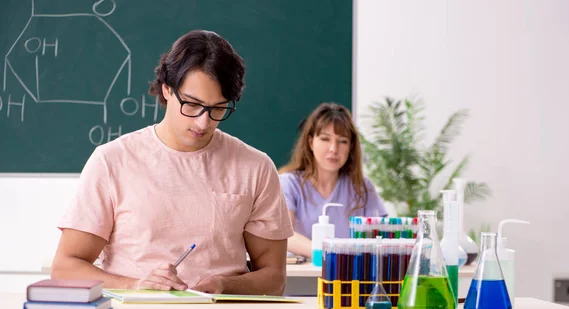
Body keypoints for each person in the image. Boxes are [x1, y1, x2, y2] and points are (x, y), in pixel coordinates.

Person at [51, 30, 293, 295]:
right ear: (167, 89)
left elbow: (274, 278)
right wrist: (136, 285)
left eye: (219, 108)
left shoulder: (255, 167)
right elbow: (66, 267)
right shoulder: (113, 160)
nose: (204, 122)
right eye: (191, 104)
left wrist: (225, 285)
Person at [278, 103, 387, 259]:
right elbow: (284, 234)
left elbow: (379, 236)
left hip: (351, 277)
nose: (333, 149)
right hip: (300, 278)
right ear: (310, 142)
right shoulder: (288, 183)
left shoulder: (362, 187)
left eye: (342, 141)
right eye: (325, 139)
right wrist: (328, 254)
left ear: (351, 146)